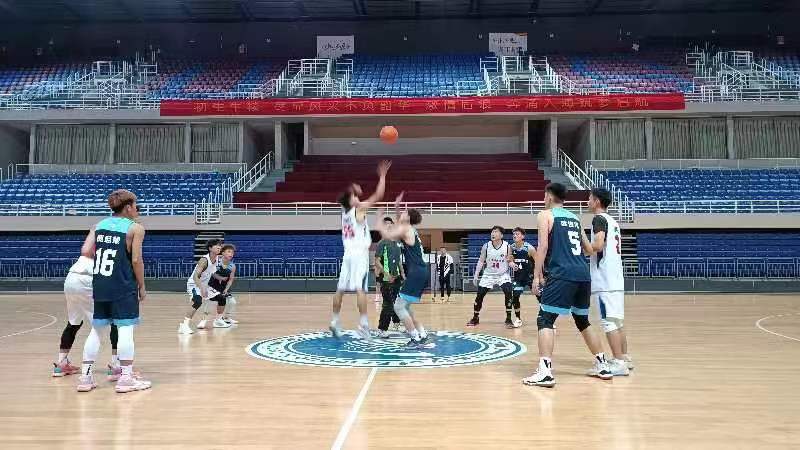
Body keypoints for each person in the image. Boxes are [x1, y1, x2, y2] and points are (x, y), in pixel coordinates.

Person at [522, 183, 612, 388]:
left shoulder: (545, 215)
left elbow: (542, 247)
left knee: (545, 318)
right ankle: (603, 365)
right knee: (582, 320)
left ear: (549, 197)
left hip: (562, 274)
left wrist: (536, 276)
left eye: (544, 196)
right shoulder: (574, 218)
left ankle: (545, 372)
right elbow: (589, 248)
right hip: (583, 274)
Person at [77, 189, 150, 393]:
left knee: (96, 330)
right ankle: (126, 378)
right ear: (127, 207)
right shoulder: (135, 228)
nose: (136, 209)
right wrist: (142, 285)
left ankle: (85, 377)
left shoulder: (99, 225)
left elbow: (86, 251)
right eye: (135, 205)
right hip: (122, 284)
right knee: (125, 329)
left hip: (100, 283)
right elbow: (136, 260)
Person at [330, 160, 392, 340]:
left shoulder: (344, 212)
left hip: (347, 254)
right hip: (359, 255)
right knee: (361, 290)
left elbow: (346, 196)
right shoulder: (359, 209)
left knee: (340, 289)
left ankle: (334, 320)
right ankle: (364, 325)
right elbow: (378, 195)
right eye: (355, 197)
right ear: (351, 201)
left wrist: (352, 188)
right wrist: (382, 176)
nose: (358, 198)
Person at [374, 194, 433, 348]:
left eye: (404, 212)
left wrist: (379, 218)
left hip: (416, 272)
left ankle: (415, 338)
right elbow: (400, 220)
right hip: (421, 271)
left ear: (408, 218)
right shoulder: (410, 229)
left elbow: (387, 234)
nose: (401, 214)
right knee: (406, 307)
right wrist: (396, 206)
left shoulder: (406, 229)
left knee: (399, 307)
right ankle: (422, 334)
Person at [53, 255, 122, 380]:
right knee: (107, 323)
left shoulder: (91, 244)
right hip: (89, 279)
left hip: (71, 278)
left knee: (73, 322)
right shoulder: (115, 246)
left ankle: (61, 363)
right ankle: (115, 366)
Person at [588, 187, 632, 376]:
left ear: (597, 201)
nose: (588, 202)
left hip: (604, 280)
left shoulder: (599, 219)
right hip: (615, 279)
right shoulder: (613, 221)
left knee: (608, 322)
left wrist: (581, 246)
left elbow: (598, 245)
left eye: (590, 198)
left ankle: (619, 362)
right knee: (618, 321)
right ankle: (624, 358)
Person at [466, 226, 517, 328]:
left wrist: (513, 265)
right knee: (479, 295)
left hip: (502, 274)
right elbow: (481, 261)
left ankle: (508, 318)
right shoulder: (486, 246)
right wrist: (476, 274)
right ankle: (475, 317)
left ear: (501, 235)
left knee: (508, 292)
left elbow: (509, 260)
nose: (493, 234)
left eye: (496, 232)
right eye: (492, 232)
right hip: (488, 275)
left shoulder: (507, 246)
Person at [178, 239, 224, 334]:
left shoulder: (216, 259)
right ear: (210, 248)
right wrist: (202, 288)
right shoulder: (204, 260)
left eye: (220, 245)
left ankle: (218, 320)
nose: (219, 247)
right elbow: (195, 276)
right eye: (216, 245)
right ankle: (184, 325)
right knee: (197, 301)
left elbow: (211, 272)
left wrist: (220, 278)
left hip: (205, 285)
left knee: (221, 298)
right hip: (194, 284)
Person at [374, 217, 404, 338]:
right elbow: (377, 261)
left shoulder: (397, 243)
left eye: (390, 224)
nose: (388, 226)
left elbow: (399, 261)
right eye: (385, 224)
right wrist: (386, 274)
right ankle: (382, 329)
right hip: (386, 278)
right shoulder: (382, 243)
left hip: (396, 278)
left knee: (396, 303)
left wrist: (403, 274)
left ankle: (396, 324)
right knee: (388, 304)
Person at [509, 227, 536, 328]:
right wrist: (511, 263)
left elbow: (538, 262)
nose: (515, 236)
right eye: (514, 234)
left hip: (530, 276)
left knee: (541, 297)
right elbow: (509, 258)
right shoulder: (511, 247)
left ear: (523, 236)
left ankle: (547, 320)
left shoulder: (529, 248)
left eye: (517, 234)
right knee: (515, 297)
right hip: (518, 278)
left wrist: (539, 277)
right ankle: (518, 319)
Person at [208, 244, 238, 326]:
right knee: (215, 301)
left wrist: (226, 289)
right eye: (229, 251)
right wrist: (220, 278)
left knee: (232, 302)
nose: (231, 254)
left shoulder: (232, 266)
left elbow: (231, 279)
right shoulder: (216, 261)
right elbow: (211, 273)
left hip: (223, 287)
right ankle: (213, 319)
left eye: (232, 252)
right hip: (212, 286)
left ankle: (226, 318)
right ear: (223, 253)